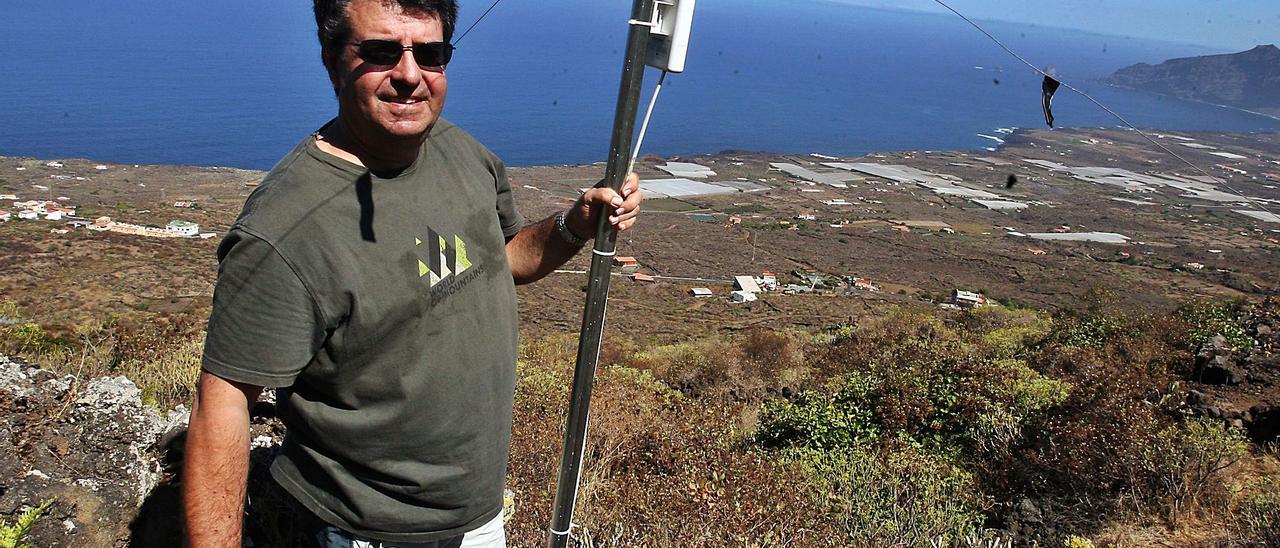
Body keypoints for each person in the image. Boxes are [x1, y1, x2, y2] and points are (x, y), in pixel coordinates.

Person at [181, 0, 643, 546]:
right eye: (380, 52)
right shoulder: (285, 231)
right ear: (333, 60)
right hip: (370, 530)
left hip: (477, 514)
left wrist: (575, 224)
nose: (409, 75)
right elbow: (224, 403)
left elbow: (505, 257)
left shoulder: (461, 152)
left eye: (430, 54)